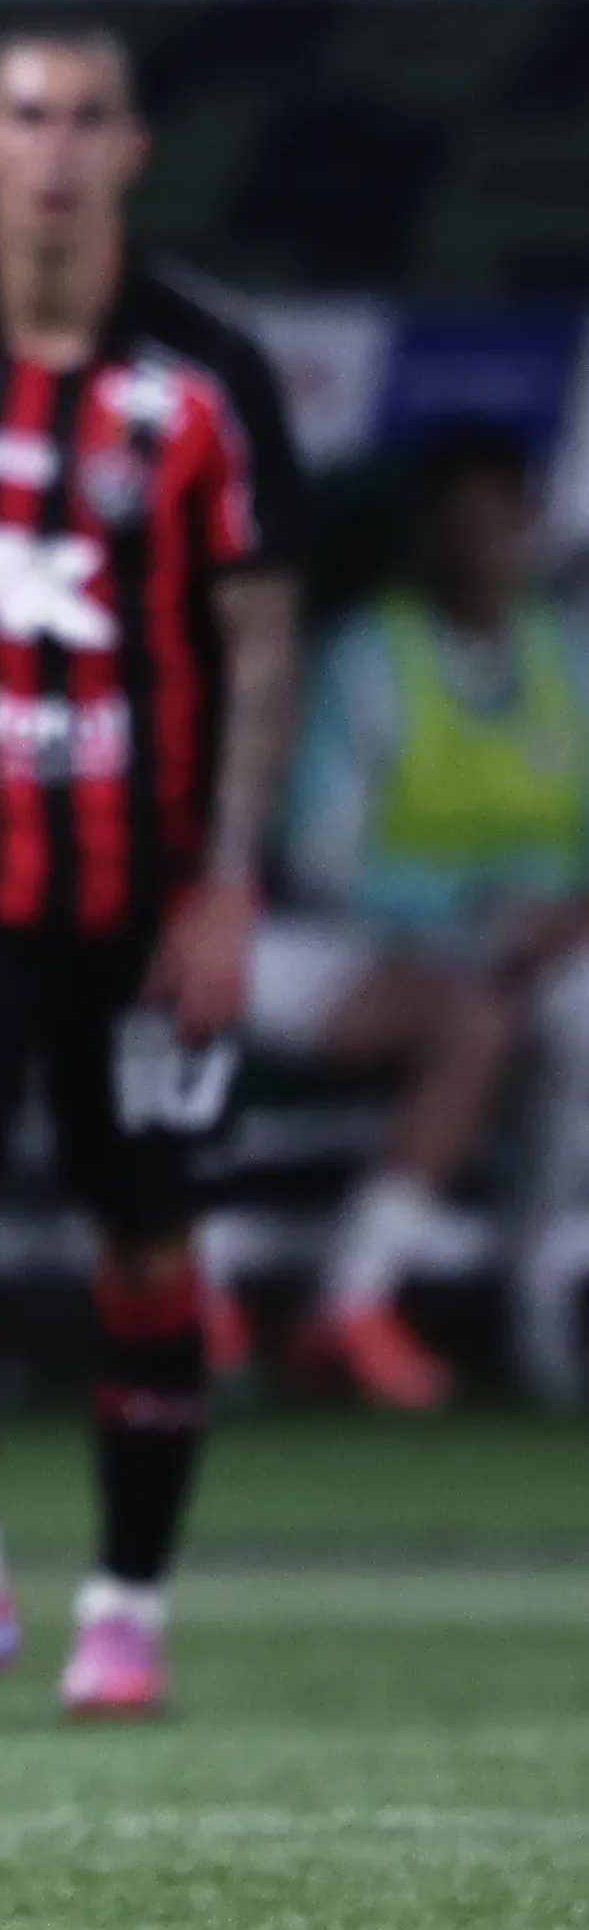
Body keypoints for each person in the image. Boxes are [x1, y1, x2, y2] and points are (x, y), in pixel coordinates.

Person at [0, 29, 301, 1721]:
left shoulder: (203, 374)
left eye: (86, 119)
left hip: (137, 898)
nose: (54, 150)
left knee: (147, 1250)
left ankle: (126, 1606)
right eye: (26, 117)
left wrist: (225, 881)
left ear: (132, 149)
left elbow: (257, 643)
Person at [256, 428, 589, 1409]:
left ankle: (540, 1300)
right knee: (475, 1016)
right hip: (371, 939)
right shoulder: (368, 656)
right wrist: (476, 913)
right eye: (462, 524)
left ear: (530, 527)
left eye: (501, 521)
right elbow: (319, 854)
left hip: (547, 946)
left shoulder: (565, 658)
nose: (484, 544)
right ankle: (352, 1301)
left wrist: (555, 917)